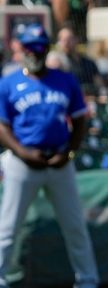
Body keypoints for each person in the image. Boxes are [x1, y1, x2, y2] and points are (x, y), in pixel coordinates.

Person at [0, 24, 99, 287]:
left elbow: (80, 120)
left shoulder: (65, 80)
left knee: (75, 227)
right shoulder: (9, 83)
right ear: (20, 48)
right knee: (7, 229)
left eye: (40, 47)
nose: (35, 52)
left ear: (47, 48)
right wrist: (21, 152)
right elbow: (1, 125)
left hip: (59, 161)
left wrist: (68, 152)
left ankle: (87, 280)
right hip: (22, 162)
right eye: (29, 47)